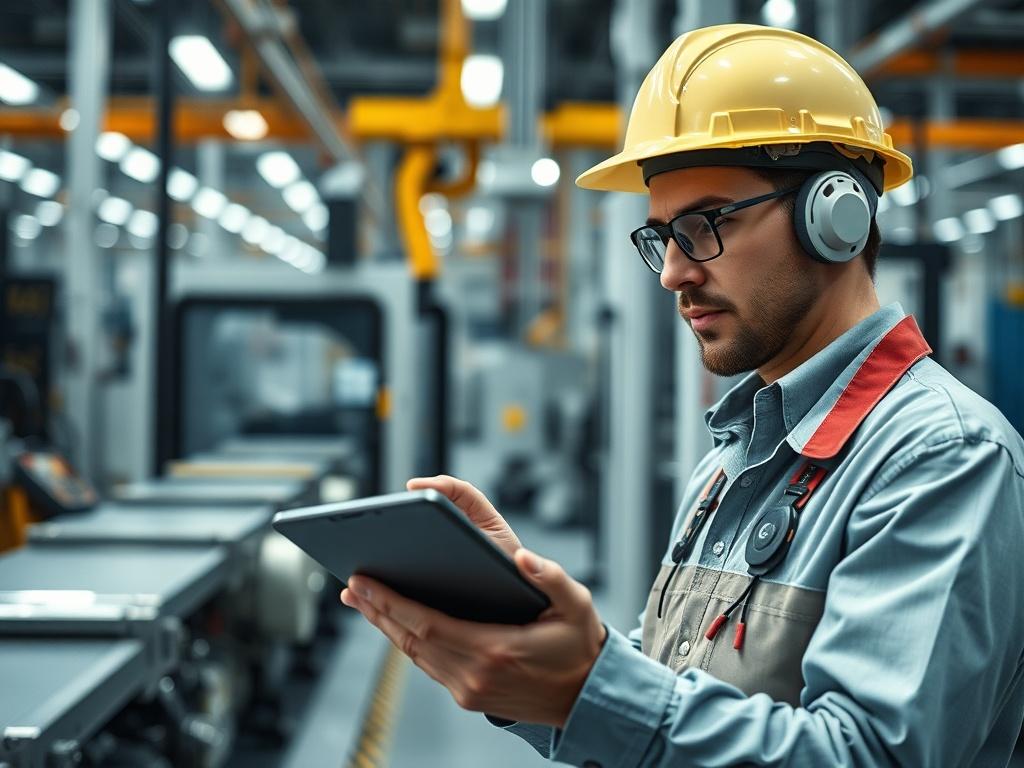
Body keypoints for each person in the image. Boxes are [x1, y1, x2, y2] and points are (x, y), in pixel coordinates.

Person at [340, 23, 1024, 767]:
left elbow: (867, 756)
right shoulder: (730, 462)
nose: (671, 273)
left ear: (835, 216)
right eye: (661, 236)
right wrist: (531, 642)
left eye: (702, 226)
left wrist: (589, 688)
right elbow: (675, 690)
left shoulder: (943, 457)